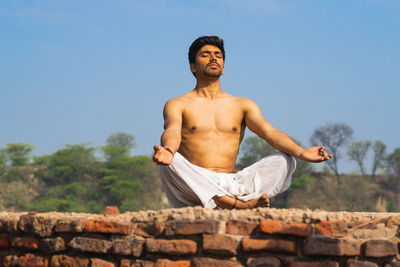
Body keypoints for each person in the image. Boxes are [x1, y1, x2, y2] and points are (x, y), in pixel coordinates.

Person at [153, 36, 332, 210]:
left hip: (233, 184)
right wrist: (168, 150)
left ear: (223, 67)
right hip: (197, 186)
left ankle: (239, 200)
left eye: (218, 55)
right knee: (170, 161)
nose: (213, 57)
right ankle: (235, 205)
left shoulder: (242, 104)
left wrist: (302, 152)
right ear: (193, 67)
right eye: (205, 54)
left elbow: (270, 133)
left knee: (286, 159)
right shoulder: (178, 103)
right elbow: (172, 130)